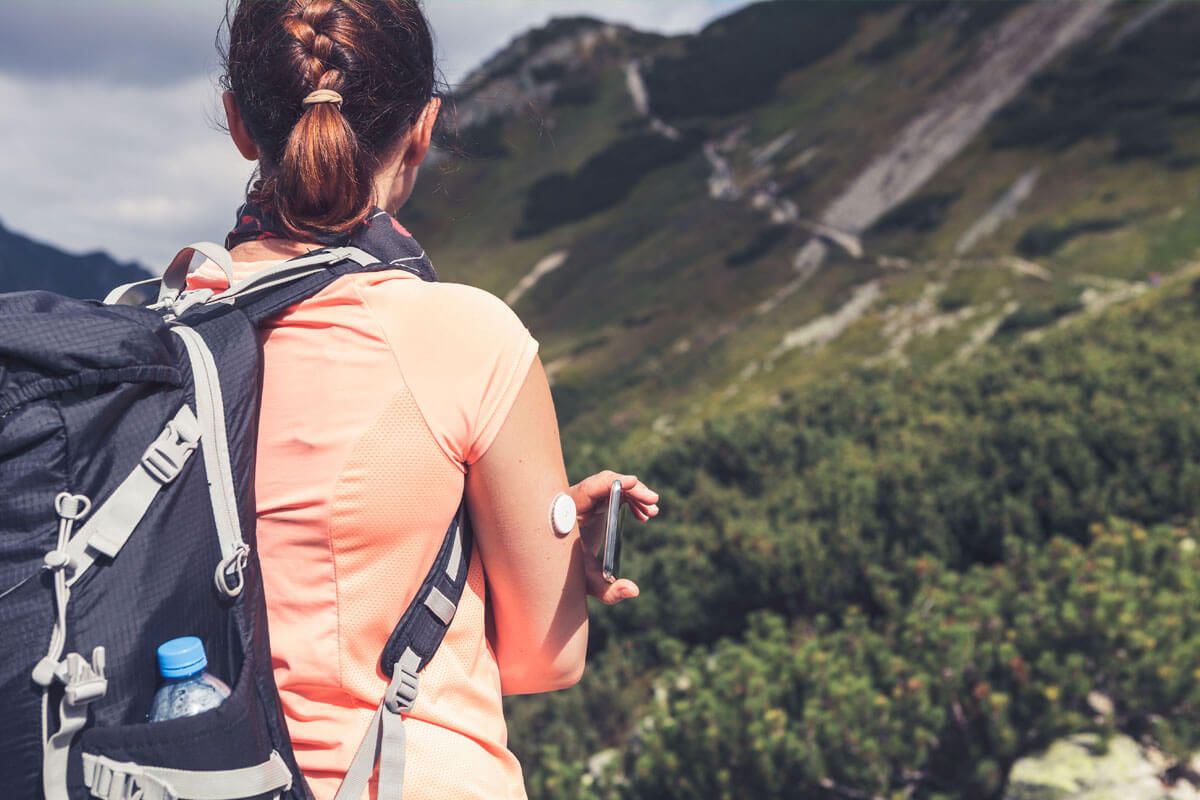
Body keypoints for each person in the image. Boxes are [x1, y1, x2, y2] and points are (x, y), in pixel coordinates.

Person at [188, 1, 660, 797]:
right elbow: (546, 662)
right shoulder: (465, 336)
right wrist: (546, 554)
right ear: (423, 128)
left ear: (238, 122)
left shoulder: (145, 334)